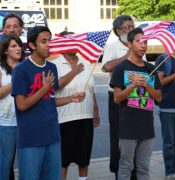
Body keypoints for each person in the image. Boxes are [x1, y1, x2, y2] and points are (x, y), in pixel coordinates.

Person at [11, 26, 86, 179]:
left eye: (49, 41)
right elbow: (22, 105)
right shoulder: (21, 70)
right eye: (43, 41)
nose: (48, 45)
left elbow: (49, 101)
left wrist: (70, 98)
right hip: (31, 138)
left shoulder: (51, 67)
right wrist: (44, 88)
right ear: (32, 45)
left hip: (53, 136)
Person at [110, 28, 162, 180]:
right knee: (126, 166)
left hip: (147, 127)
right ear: (129, 44)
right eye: (139, 41)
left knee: (144, 167)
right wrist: (132, 86)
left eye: (145, 41)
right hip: (128, 127)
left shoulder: (150, 68)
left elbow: (158, 98)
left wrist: (147, 85)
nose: (143, 45)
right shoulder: (121, 68)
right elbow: (117, 98)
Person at [51, 31, 100, 180]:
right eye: (70, 40)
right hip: (64, 118)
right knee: (63, 160)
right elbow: (55, 86)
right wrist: (74, 71)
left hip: (85, 116)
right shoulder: (55, 64)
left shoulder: (85, 62)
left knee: (83, 159)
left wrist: (95, 111)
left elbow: (91, 89)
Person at [101, 15, 137, 179]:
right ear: (117, 31)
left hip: (136, 95)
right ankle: (119, 172)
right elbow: (107, 67)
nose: (130, 30)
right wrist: (128, 55)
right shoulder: (112, 47)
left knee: (136, 135)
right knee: (119, 136)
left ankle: (135, 172)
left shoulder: (138, 44)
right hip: (118, 97)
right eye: (126, 27)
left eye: (132, 26)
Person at [155, 49, 175, 179]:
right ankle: (170, 170)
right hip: (167, 107)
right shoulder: (163, 59)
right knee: (169, 142)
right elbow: (160, 82)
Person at [0, 34, 25, 180]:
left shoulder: (25, 66)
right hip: (5, 123)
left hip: (24, 121)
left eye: (19, 45)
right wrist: (15, 80)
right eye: (14, 46)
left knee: (25, 162)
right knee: (6, 161)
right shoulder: (1, 69)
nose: (18, 48)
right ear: (5, 51)